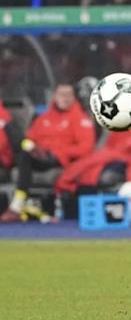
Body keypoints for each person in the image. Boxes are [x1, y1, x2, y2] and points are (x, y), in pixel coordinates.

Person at [0, 83, 96, 223]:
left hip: (60, 159)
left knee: (25, 156)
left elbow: (86, 148)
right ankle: (19, 205)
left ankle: (17, 206)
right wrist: (35, 149)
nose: (65, 98)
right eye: (61, 95)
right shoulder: (44, 118)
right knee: (23, 150)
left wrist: (58, 151)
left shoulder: (81, 119)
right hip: (38, 156)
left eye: (68, 95)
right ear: (55, 96)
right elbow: (30, 138)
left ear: (74, 98)